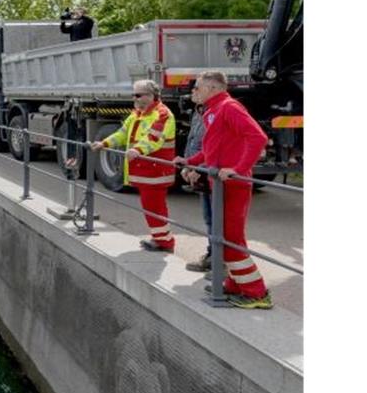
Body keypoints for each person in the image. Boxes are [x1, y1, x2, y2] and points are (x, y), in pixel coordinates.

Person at [175, 72, 272, 309]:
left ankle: (256, 292)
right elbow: (213, 150)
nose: (193, 92)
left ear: (212, 87)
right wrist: (191, 161)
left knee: (232, 239)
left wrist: (238, 169)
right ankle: (234, 284)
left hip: (233, 184)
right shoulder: (214, 110)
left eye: (197, 87)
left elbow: (258, 137)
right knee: (225, 238)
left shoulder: (228, 107)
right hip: (220, 184)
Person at [90, 79, 177, 251]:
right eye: (133, 94)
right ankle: (160, 238)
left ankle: (164, 242)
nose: (134, 98)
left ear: (152, 96)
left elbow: (154, 138)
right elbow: (122, 134)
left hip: (155, 171)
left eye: (138, 95)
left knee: (155, 207)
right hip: (145, 170)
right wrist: (104, 144)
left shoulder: (162, 114)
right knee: (151, 206)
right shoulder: (137, 113)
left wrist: (137, 149)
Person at [181, 102, 214, 272]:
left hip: (211, 174)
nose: (192, 93)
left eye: (196, 88)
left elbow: (215, 147)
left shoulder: (218, 112)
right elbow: (193, 140)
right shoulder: (199, 112)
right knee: (209, 219)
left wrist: (200, 168)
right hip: (203, 171)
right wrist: (188, 164)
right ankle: (212, 257)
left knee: (218, 221)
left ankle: (220, 264)